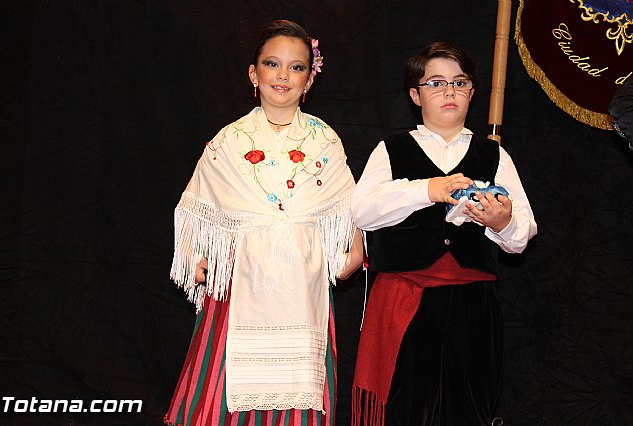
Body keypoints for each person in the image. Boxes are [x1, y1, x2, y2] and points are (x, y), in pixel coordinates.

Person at [164, 20, 363, 426]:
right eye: (273, 64)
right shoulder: (230, 140)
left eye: (296, 67)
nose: (283, 76)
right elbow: (194, 208)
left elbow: (349, 206)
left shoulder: (325, 140)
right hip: (240, 285)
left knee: (299, 387)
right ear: (254, 74)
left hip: (303, 285)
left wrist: (355, 250)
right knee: (223, 389)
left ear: (310, 79)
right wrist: (195, 257)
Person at [350, 42, 537, 426]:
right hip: (405, 300)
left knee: (468, 409)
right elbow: (361, 211)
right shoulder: (390, 150)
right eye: (436, 83)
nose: (449, 91)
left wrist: (501, 223)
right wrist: (428, 189)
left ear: (471, 92)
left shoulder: (494, 156)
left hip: (473, 305)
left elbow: (523, 234)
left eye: (459, 82)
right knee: (404, 409)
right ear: (416, 96)